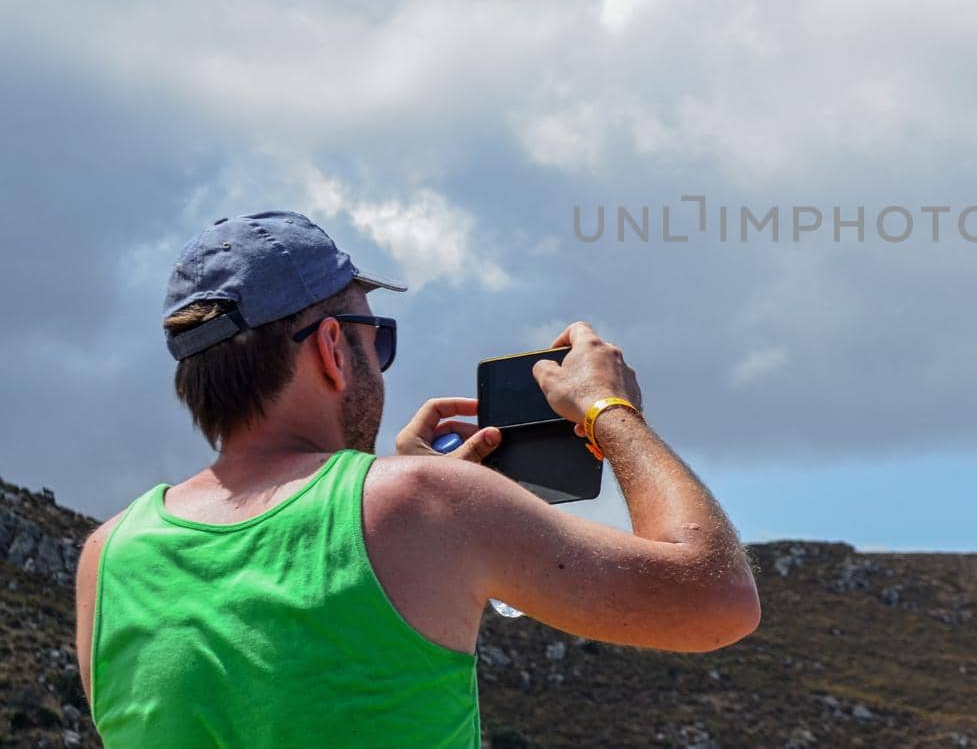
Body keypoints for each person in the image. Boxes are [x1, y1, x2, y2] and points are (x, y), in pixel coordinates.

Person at [73, 210, 759, 746]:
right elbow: (718, 599)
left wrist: (408, 504)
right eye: (379, 339)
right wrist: (609, 408)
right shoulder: (424, 504)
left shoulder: (107, 557)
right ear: (334, 349)